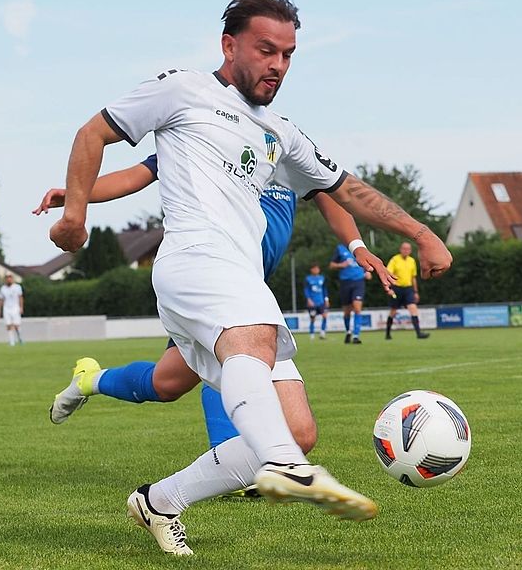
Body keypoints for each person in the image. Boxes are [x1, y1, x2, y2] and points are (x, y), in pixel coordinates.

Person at [49, 0, 452, 555]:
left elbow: (346, 189)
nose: (278, 66)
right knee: (254, 355)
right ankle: (285, 469)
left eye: (288, 55)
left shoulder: (281, 133)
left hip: (240, 280)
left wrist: (423, 234)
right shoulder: (181, 90)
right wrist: (75, 212)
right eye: (267, 51)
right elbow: (94, 133)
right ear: (229, 44)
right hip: (193, 261)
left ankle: (160, 500)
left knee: (298, 430)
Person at [34, 153, 390, 455]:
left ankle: (90, 380)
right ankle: (225, 460)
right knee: (232, 356)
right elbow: (135, 175)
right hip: (210, 276)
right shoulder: (205, 131)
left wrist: (357, 246)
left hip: (248, 284)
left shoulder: (282, 142)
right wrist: (76, 196)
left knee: (166, 384)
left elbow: (328, 190)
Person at [385, 242, 430, 340]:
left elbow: (413, 277)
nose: (406, 251)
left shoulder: (412, 261)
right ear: (400, 249)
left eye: (408, 249)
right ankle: (387, 333)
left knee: (413, 308)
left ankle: (419, 333)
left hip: (408, 289)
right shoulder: (394, 260)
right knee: (393, 311)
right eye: (404, 249)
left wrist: (416, 292)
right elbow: (387, 274)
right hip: (396, 288)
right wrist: (389, 289)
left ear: (410, 250)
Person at [329, 242, 371, 344]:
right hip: (345, 283)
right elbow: (331, 265)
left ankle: (356, 336)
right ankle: (348, 331)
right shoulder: (340, 248)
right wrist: (341, 265)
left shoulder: (360, 248)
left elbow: (366, 262)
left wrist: (367, 271)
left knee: (357, 308)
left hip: (358, 282)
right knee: (347, 312)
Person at [0, 274, 24, 346]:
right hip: (6, 309)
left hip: (15, 308)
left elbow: (20, 297)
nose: (9, 279)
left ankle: (20, 338)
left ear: (12, 279)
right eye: (7, 278)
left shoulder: (17, 287)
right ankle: (12, 342)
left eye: (10, 278)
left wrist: (21, 307)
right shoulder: (3, 288)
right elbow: (0, 299)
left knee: (16, 325)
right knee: (8, 325)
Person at [304, 263, 329, 340]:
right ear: (311, 270)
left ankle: (322, 332)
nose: (316, 270)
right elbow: (306, 290)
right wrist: (308, 299)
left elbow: (324, 289)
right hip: (312, 303)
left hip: (321, 302)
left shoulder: (322, 278)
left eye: (317, 268)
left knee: (325, 316)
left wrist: (326, 299)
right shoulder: (308, 279)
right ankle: (312, 334)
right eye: (314, 268)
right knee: (313, 318)